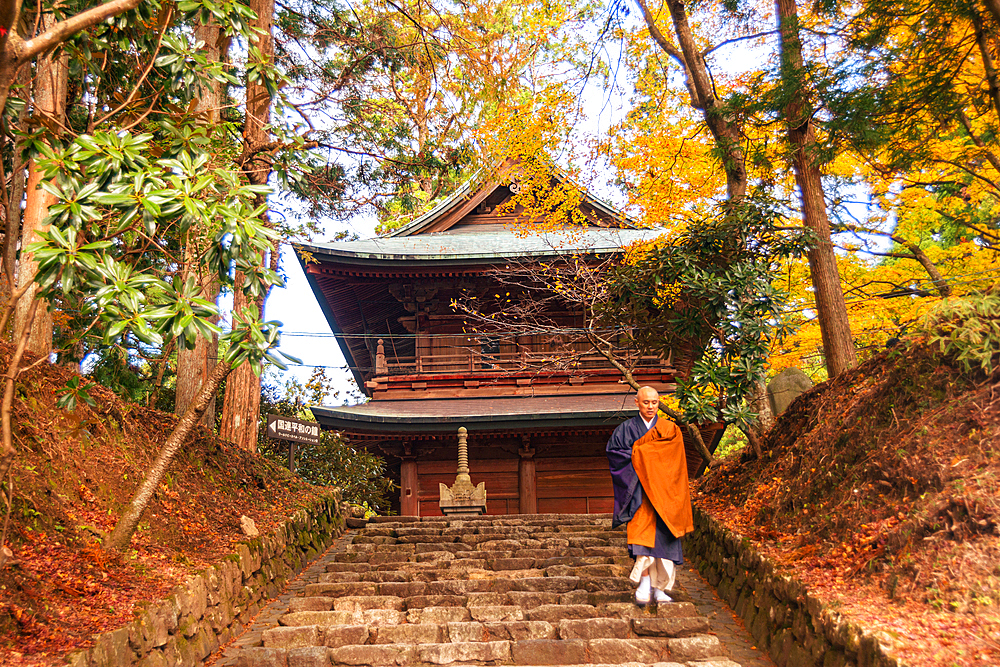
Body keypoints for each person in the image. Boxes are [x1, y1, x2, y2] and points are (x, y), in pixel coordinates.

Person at [606, 385, 694, 606]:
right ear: (637, 403)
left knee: (665, 540)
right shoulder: (624, 430)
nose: (651, 407)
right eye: (646, 402)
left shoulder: (670, 429)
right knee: (642, 541)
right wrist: (645, 455)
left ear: (659, 402)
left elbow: (675, 461)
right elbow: (617, 456)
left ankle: (661, 588)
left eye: (654, 402)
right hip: (639, 495)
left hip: (665, 494)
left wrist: (641, 453)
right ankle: (644, 584)